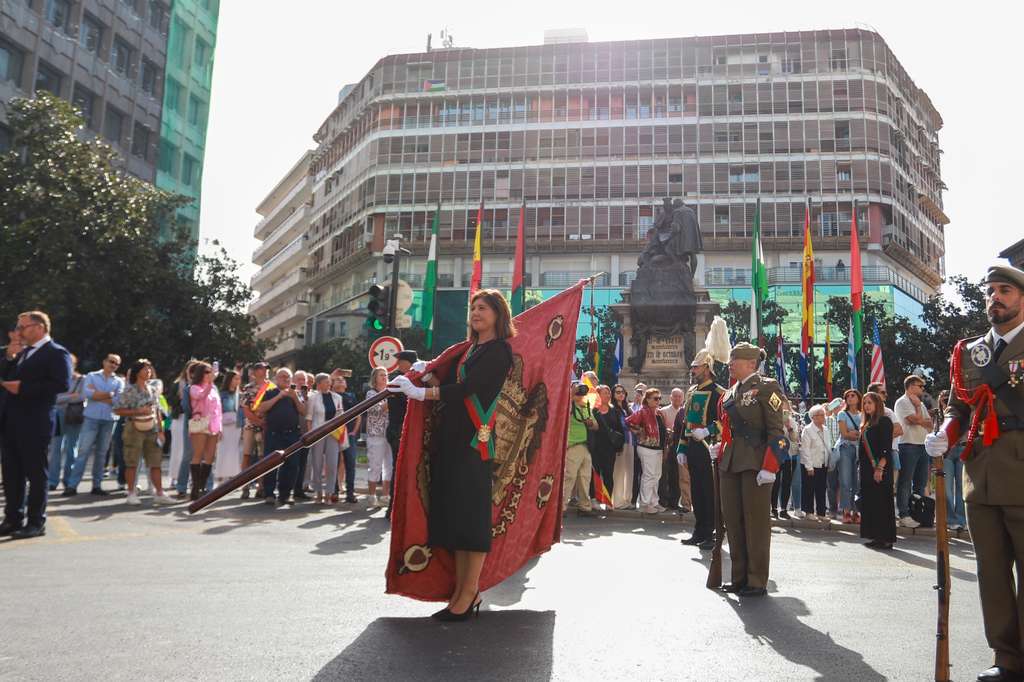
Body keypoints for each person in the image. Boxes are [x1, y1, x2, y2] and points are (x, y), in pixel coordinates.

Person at [387, 288, 515, 621]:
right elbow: (452, 379)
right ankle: (460, 592)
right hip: (453, 440)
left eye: (483, 308)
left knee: (472, 521)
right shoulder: (472, 350)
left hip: (475, 441)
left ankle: (469, 593)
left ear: (498, 315)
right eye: (473, 308)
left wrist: (421, 392)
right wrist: (428, 373)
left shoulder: (499, 351)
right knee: (457, 520)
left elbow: (468, 389)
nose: (475, 313)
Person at [925, 265, 1024, 682]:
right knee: (992, 570)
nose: (994, 298)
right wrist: (945, 433)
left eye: (1004, 290)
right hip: (979, 473)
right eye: (990, 291)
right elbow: (959, 408)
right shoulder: (969, 351)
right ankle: (1006, 657)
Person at [711, 342, 786, 598]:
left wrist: (770, 466)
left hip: (756, 463)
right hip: (730, 462)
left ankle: (756, 579)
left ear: (751, 364)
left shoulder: (767, 387)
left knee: (755, 523)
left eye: (736, 360)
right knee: (733, 521)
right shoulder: (730, 393)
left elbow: (777, 432)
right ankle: (738, 577)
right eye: (731, 360)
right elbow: (729, 429)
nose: (730, 364)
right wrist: (720, 446)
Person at [0, 311, 72, 539]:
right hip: (11, 421)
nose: (19, 332)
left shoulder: (56, 353)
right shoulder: (21, 352)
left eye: (23, 327)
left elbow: (61, 384)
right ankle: (12, 518)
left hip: (35, 421)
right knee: (12, 473)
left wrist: (24, 388)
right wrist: (9, 359)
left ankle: (35, 522)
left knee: (35, 473)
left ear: (40, 327)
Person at [676, 349, 724, 548]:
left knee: (710, 492)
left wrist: (707, 431)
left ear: (707, 368)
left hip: (710, 448)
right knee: (697, 492)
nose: (692, 369)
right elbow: (686, 423)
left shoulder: (719, 393)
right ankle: (699, 530)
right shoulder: (691, 392)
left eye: (696, 366)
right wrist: (682, 447)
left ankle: (713, 534)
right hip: (694, 449)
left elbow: (725, 422)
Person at [113, 359, 175, 506]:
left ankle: (159, 493)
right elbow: (117, 409)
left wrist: (161, 431)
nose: (148, 371)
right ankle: (131, 493)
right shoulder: (129, 390)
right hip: (133, 428)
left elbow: (158, 411)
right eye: (145, 369)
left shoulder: (153, 389)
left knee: (155, 462)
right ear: (137, 372)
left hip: (152, 428)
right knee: (132, 462)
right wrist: (137, 411)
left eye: (149, 369)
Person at [67, 353, 124, 495]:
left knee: (101, 454)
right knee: (83, 451)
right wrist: (110, 394)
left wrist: (99, 395)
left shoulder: (119, 381)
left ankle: (96, 486)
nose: (113, 365)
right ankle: (72, 486)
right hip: (91, 418)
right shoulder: (91, 376)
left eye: (116, 364)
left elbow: (119, 401)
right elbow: (87, 394)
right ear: (104, 361)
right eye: (111, 361)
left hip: (109, 420)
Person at [257, 367, 305, 506]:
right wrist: (279, 396)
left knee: (292, 465)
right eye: (283, 376)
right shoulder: (270, 392)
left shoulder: (296, 393)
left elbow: (303, 410)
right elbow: (261, 409)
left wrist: (294, 397)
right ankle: (269, 493)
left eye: (288, 377)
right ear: (276, 379)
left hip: (292, 435)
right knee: (270, 464)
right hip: (273, 434)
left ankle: (285, 494)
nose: (286, 379)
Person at [858, 391, 896, 550]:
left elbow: (886, 448)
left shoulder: (884, 421)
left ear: (877, 404)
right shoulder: (866, 424)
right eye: (865, 403)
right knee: (871, 503)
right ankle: (875, 536)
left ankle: (886, 538)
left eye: (870, 403)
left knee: (882, 503)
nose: (867, 406)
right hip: (867, 469)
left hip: (880, 468)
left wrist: (879, 468)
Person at [894, 375, 931, 528]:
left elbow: (929, 423)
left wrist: (918, 416)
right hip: (908, 445)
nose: (922, 389)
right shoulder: (902, 402)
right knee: (905, 481)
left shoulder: (921, 403)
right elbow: (913, 420)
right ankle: (903, 513)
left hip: (923, 445)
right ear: (910, 387)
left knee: (920, 483)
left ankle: (917, 512)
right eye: (919, 386)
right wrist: (916, 409)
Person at [626, 387, 668, 515]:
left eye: (659, 398)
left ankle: (653, 502)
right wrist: (639, 432)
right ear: (648, 399)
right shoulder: (643, 412)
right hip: (646, 447)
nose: (658, 401)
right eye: (655, 398)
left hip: (657, 448)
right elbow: (628, 421)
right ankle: (645, 503)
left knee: (656, 476)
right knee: (649, 475)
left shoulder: (658, 413)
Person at [386, 350, 417, 519]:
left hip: (405, 430)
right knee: (398, 469)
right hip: (398, 430)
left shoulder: (413, 379)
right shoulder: (399, 381)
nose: (398, 365)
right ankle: (393, 507)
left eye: (401, 362)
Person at [306, 373, 344, 504]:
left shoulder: (337, 397)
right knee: (317, 464)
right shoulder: (313, 398)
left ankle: (329, 492)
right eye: (327, 382)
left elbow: (341, 416)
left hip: (333, 434)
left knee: (332, 464)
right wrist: (311, 435)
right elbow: (309, 418)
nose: (329, 384)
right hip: (317, 433)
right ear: (319, 384)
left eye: (330, 382)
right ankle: (318, 493)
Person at [48, 354, 84, 492]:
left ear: (74, 365)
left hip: (74, 415)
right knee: (56, 448)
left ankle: (69, 481)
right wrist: (70, 397)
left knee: (71, 448)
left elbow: (81, 397)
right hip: (57, 414)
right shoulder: (56, 379)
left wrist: (64, 398)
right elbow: (53, 398)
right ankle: (52, 481)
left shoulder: (82, 379)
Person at [187, 362, 222, 501]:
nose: (210, 374)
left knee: (210, 457)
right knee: (198, 454)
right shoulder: (193, 387)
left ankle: (201, 487)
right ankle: (195, 488)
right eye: (207, 372)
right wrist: (211, 382)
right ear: (201, 374)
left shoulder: (213, 388)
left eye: (210, 372)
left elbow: (218, 409)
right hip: (200, 423)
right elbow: (200, 396)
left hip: (213, 425)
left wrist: (220, 428)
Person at [564, 381, 598, 516]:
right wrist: (571, 394)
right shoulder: (568, 406)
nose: (581, 392)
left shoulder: (586, 406)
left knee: (585, 478)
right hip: (572, 446)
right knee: (569, 477)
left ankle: (584, 507)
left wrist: (590, 423)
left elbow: (596, 426)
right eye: (578, 389)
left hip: (586, 446)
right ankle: (561, 507)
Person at [936, 390, 966, 531]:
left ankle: (962, 520)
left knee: (961, 487)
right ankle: (950, 520)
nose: (946, 401)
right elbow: (934, 434)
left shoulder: (960, 412)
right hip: (946, 453)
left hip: (961, 448)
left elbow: (967, 428)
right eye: (943, 399)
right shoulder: (938, 416)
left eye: (948, 398)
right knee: (947, 488)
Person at [239, 362, 269, 499]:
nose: (266, 371)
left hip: (265, 427)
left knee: (263, 457)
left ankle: (261, 487)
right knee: (247, 455)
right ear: (256, 371)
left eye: (266, 369)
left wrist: (264, 423)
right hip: (251, 426)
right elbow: (245, 408)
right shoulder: (248, 388)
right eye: (263, 369)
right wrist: (258, 421)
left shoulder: (271, 387)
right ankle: (245, 486)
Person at [364, 367, 393, 510]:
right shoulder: (371, 393)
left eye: (386, 375)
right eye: (382, 375)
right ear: (375, 378)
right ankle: (371, 495)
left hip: (389, 434)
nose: (385, 377)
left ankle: (385, 496)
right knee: (375, 466)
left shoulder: (390, 392)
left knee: (389, 466)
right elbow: (377, 409)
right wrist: (393, 400)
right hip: (376, 434)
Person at [591, 384, 624, 507]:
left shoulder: (614, 411)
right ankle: (595, 499)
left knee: (608, 474)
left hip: (609, 448)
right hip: (595, 447)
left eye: (609, 393)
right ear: (598, 395)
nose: (608, 395)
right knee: (595, 475)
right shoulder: (593, 410)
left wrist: (619, 446)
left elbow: (620, 429)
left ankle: (608, 500)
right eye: (605, 393)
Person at [800, 404, 832, 521]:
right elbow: (805, 449)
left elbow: (828, 447)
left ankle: (821, 513)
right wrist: (809, 467)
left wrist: (828, 463)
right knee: (809, 488)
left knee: (821, 488)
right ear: (813, 417)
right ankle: (808, 512)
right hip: (811, 464)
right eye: (821, 415)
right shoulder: (807, 430)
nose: (824, 417)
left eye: (823, 414)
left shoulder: (826, 429)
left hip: (823, 463)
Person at [835, 389, 863, 524]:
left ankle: (856, 511)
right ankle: (846, 511)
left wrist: (854, 433)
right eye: (848, 396)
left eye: (853, 395)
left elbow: (863, 434)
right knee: (845, 481)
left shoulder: (863, 415)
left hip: (859, 450)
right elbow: (845, 434)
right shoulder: (842, 414)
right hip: (845, 448)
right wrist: (856, 433)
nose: (850, 398)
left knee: (857, 482)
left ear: (858, 398)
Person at [771, 398, 801, 520]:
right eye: (781, 407)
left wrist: (789, 427)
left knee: (787, 482)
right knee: (775, 482)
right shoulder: (773, 420)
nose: (783, 409)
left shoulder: (792, 421)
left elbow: (795, 439)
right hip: (776, 455)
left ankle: (784, 509)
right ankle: (773, 508)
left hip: (789, 455)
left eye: (786, 407)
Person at [171, 360, 198, 497]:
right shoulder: (181, 385)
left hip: (202, 423)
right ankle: (181, 485)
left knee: (201, 455)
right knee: (186, 454)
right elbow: (180, 406)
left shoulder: (206, 386)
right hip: (183, 419)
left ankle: (200, 484)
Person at [658, 387, 687, 512]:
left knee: (677, 475)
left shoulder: (685, 412)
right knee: (665, 475)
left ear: (683, 398)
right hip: (666, 447)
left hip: (679, 446)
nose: (677, 398)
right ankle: (663, 500)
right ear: (670, 397)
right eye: (675, 396)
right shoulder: (663, 411)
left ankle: (675, 501)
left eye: (679, 396)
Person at [332, 374, 359, 504]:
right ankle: (334, 492)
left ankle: (350, 493)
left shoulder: (351, 397)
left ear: (346, 385)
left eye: (343, 380)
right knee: (334, 464)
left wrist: (354, 431)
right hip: (334, 435)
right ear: (332, 383)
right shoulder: (330, 396)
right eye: (337, 379)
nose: (340, 381)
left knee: (350, 464)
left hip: (349, 435)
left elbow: (358, 414)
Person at [609, 384, 635, 510]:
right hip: (620, 443)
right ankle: (617, 501)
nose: (621, 394)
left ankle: (627, 500)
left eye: (623, 392)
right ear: (613, 395)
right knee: (618, 472)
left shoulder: (627, 409)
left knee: (629, 472)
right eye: (618, 392)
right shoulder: (612, 408)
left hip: (630, 442)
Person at [215, 370, 242, 483]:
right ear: (229, 379)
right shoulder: (222, 394)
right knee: (222, 448)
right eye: (235, 378)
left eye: (238, 379)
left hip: (236, 424)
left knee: (234, 450)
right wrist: (218, 427)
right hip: (224, 424)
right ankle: (220, 474)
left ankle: (233, 474)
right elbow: (217, 411)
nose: (237, 381)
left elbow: (241, 411)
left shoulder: (240, 394)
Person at [291, 370, 312, 500]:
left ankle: (298, 489)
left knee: (303, 463)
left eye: (303, 380)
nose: (301, 382)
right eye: (298, 379)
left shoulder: (312, 395)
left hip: (306, 433)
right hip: (293, 433)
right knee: (292, 463)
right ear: (294, 381)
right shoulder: (290, 394)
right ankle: (288, 489)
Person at [630, 382, 648, 506]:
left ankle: (643, 500)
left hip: (643, 444)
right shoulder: (628, 407)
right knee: (633, 472)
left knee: (644, 473)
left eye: (642, 392)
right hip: (631, 444)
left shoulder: (646, 409)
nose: (638, 394)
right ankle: (632, 499)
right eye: (637, 391)